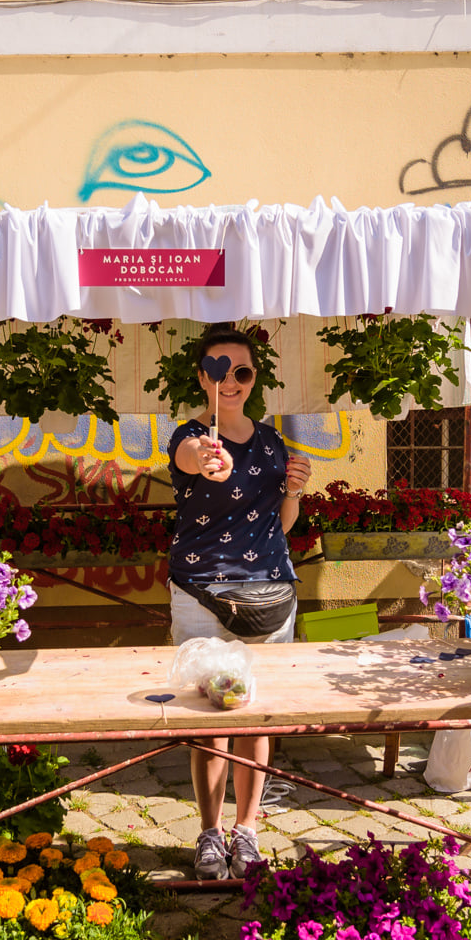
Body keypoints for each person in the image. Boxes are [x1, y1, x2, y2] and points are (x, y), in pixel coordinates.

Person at [165, 322, 312, 879]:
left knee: (255, 716)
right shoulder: (189, 436)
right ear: (203, 378)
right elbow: (192, 457)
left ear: (253, 378)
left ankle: (247, 831)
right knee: (210, 718)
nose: (230, 381)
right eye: (218, 371)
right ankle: (210, 832)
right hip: (201, 593)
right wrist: (209, 459)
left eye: (241, 372)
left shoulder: (272, 443)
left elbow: (283, 523)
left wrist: (293, 489)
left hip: (268, 594)